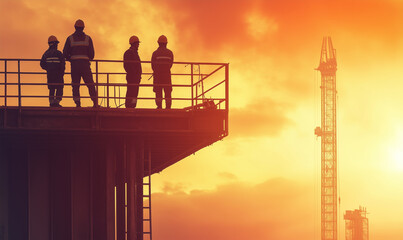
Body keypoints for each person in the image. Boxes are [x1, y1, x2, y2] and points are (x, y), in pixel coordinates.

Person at [63, 19, 98, 107]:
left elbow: (65, 53)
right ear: (83, 28)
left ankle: (77, 103)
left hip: (75, 66)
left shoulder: (70, 38)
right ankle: (95, 102)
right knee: (90, 84)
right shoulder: (88, 38)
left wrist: (71, 59)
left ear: (75, 27)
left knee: (75, 85)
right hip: (85, 65)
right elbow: (92, 55)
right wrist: (86, 59)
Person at [40, 35, 65, 107]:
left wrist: (48, 69)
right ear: (54, 43)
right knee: (59, 87)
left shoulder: (46, 54)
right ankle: (56, 102)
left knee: (51, 88)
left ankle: (51, 103)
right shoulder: (59, 53)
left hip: (50, 74)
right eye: (56, 43)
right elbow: (63, 64)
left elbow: (42, 64)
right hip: (58, 74)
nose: (57, 45)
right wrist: (61, 72)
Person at [151, 35, 174, 109]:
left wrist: (158, 71)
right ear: (166, 43)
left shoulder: (155, 53)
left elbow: (153, 65)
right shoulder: (170, 53)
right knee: (167, 91)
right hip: (166, 75)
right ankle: (168, 107)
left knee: (158, 91)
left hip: (158, 76)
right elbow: (171, 64)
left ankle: (159, 106)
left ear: (158, 43)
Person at [123, 36, 142, 108]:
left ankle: (133, 106)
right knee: (131, 92)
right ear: (134, 44)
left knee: (135, 93)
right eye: (137, 44)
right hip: (132, 77)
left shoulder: (134, 53)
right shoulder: (129, 53)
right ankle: (128, 106)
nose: (138, 45)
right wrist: (134, 74)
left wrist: (138, 75)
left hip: (136, 77)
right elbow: (127, 66)